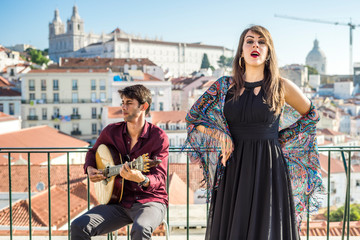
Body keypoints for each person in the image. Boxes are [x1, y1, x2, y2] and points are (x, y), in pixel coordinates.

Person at [185, 25, 324, 239]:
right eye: (249, 41)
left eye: (261, 41)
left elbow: (312, 115)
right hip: (234, 166)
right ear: (241, 51)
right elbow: (194, 117)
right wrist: (220, 135)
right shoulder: (224, 86)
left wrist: (280, 139)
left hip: (269, 166)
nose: (255, 45)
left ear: (268, 52)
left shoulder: (281, 86)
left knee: (266, 227)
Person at [71, 84, 169, 240]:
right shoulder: (111, 131)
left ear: (143, 106)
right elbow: (93, 152)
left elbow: (159, 177)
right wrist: (90, 168)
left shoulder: (159, 137)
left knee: (141, 229)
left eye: (129, 103)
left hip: (150, 200)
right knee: (78, 226)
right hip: (118, 202)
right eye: (122, 102)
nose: (123, 107)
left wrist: (142, 179)